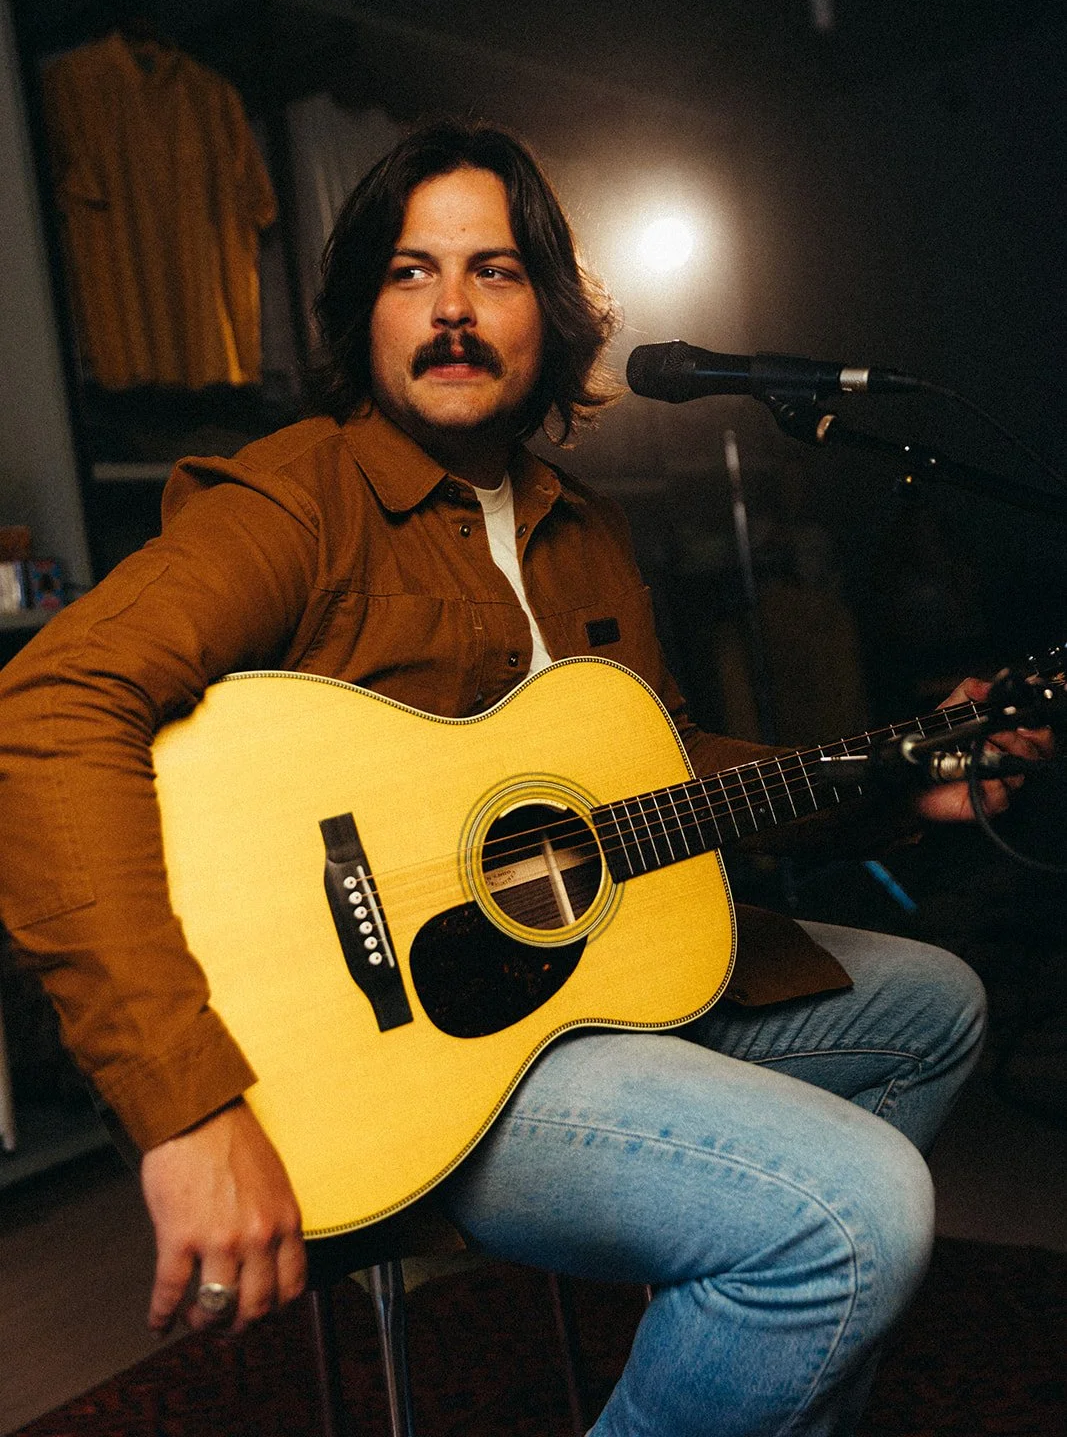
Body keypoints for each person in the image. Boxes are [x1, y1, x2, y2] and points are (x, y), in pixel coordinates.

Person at [0, 122, 1045, 1435]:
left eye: (490, 271)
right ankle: (781, 1258)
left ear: (550, 312)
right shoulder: (295, 501)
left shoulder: (583, 525)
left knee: (932, 1002)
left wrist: (903, 774)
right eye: (406, 273)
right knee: (853, 1212)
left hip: (570, 986)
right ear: (361, 316)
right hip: (406, 1060)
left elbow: (659, 775)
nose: (447, 309)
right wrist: (186, 1108)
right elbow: (47, 706)